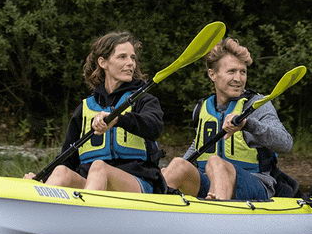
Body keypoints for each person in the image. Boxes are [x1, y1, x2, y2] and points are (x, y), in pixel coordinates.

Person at [24, 31, 164, 194]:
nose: (130, 63)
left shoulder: (144, 100)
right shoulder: (85, 108)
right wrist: (42, 179)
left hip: (137, 183)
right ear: (103, 62)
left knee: (99, 167)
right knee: (61, 171)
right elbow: (68, 156)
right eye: (122, 57)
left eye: (132, 58)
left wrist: (119, 119)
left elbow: (154, 127)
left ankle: (85, 214)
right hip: (92, 184)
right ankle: (37, 203)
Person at [162, 38, 293, 200]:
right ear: (213, 74)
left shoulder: (257, 105)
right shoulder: (202, 108)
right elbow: (199, 145)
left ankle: (217, 214)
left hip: (255, 183)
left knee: (216, 163)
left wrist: (248, 124)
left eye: (242, 72)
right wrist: (170, 171)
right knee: (177, 165)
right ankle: (151, 210)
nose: (238, 79)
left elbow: (286, 143)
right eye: (231, 71)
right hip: (208, 182)